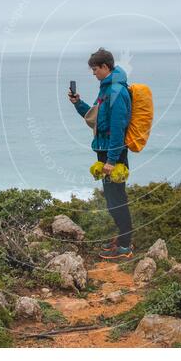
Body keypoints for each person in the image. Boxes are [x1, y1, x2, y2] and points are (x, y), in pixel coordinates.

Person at [68, 47, 133, 259]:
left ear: (105, 67)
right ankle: (122, 238)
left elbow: (117, 127)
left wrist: (112, 160)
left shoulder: (116, 91)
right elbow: (95, 118)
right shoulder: (105, 89)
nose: (93, 73)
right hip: (105, 152)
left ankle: (125, 245)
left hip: (113, 154)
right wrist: (78, 103)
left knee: (117, 199)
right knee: (112, 200)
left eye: (95, 69)